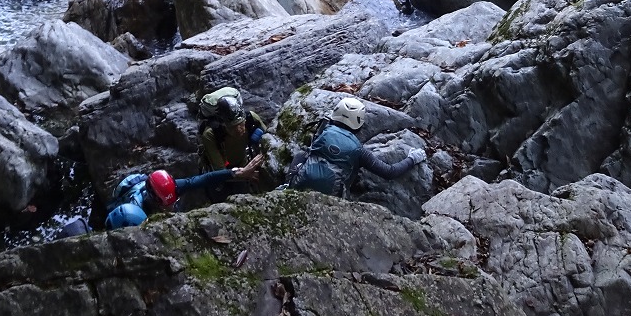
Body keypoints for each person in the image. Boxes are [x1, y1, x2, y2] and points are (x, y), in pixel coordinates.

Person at [284, 96, 426, 197]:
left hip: (299, 184)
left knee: (301, 155)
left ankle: (286, 187)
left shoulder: (323, 130)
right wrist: (413, 158)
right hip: (331, 197)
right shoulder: (359, 151)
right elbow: (389, 172)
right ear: (359, 123)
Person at [105, 161, 261, 229]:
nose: (173, 206)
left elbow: (203, 179)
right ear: (156, 202)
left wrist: (236, 172)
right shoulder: (135, 214)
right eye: (168, 205)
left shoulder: (169, 189)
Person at [200, 90, 266, 171]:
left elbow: (269, 139)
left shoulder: (251, 118)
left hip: (243, 161)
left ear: (245, 120)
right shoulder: (211, 134)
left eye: (241, 124)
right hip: (221, 169)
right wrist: (243, 172)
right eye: (233, 127)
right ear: (224, 126)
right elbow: (220, 170)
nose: (238, 130)